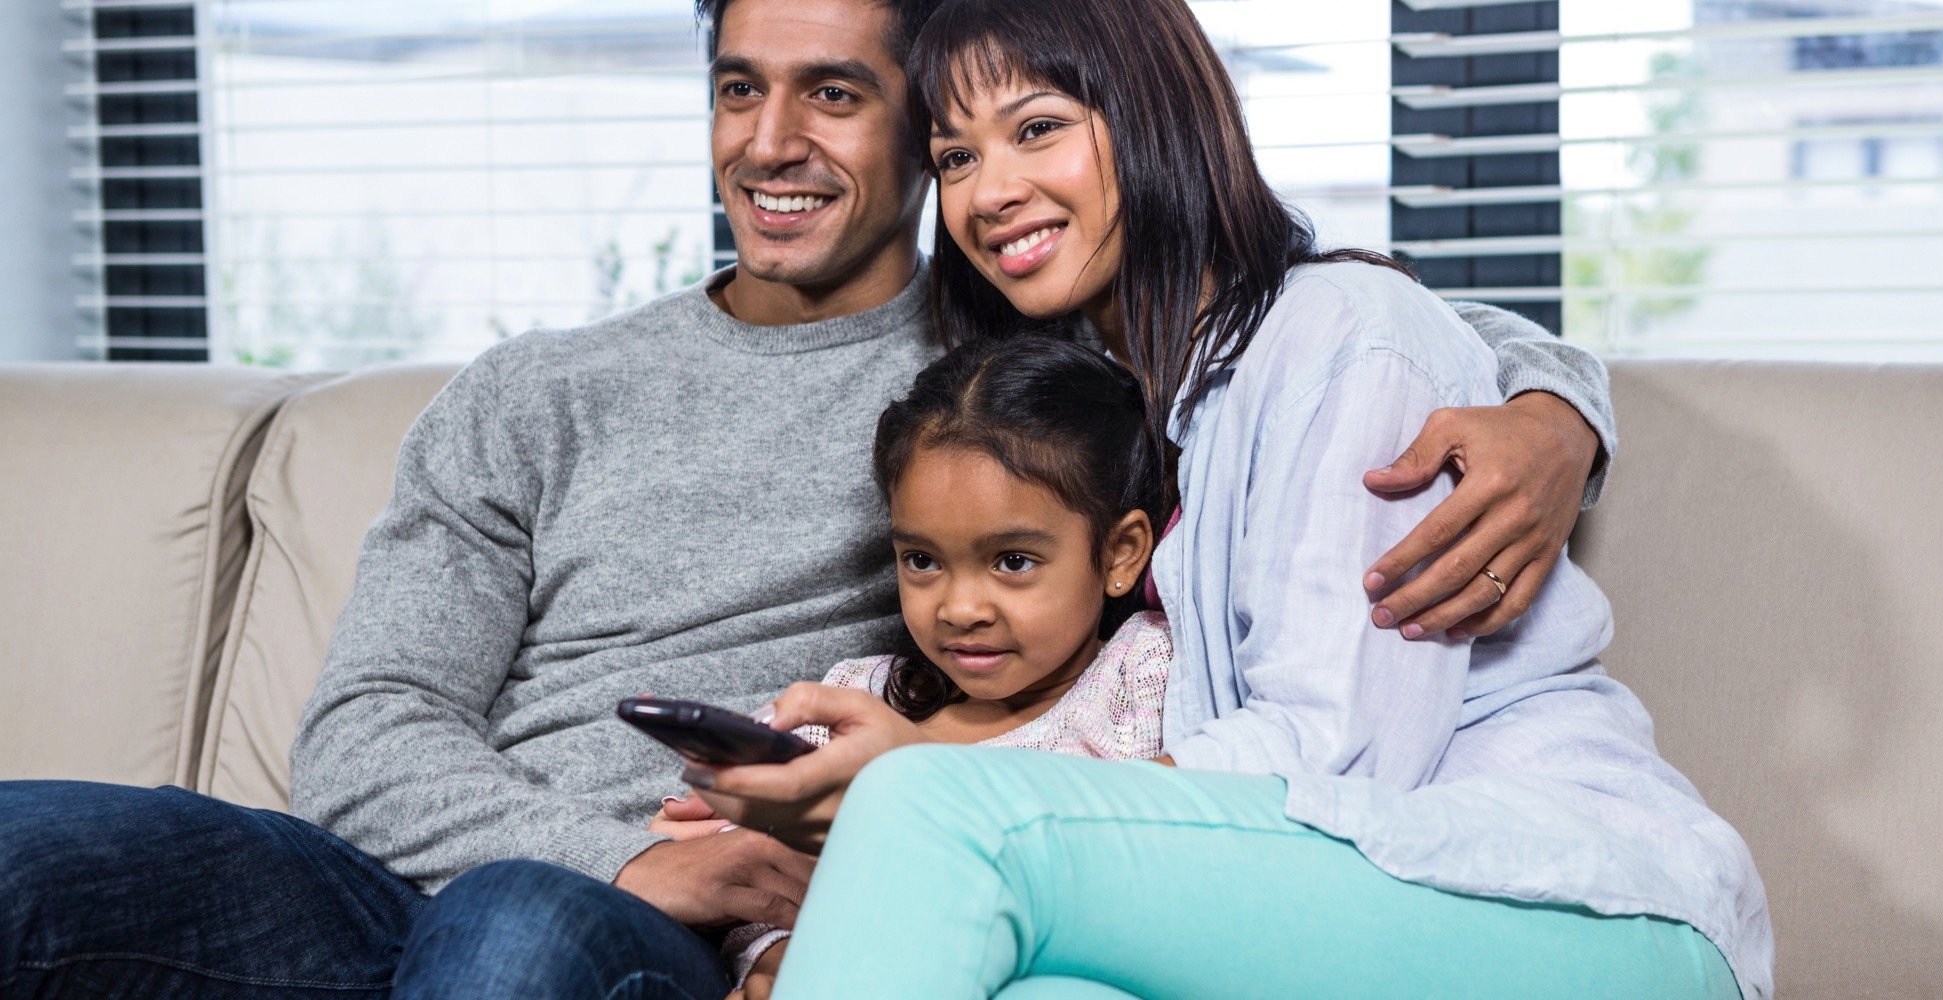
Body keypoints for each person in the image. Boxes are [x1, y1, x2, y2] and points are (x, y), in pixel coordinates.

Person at [0, 0, 1618, 997]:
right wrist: (616, 849)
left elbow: (1306, 302)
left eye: (838, 95)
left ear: (924, 143)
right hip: (465, 878)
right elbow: (368, 729)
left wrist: (1555, 413)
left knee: (513, 937)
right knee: (33, 850)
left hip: (642, 934)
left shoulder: (1021, 363)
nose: (774, 140)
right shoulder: (528, 391)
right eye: (736, 87)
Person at [685, 0, 1773, 998]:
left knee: (927, 809)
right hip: (1311, 903)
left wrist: (924, 766)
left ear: (1155, 119)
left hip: (1576, 903)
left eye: (1036, 129)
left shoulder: (1342, 334)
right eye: (956, 156)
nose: (988, 190)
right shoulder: (1100, 400)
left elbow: (1330, 762)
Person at [699, 335, 1172, 996]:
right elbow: (757, 883)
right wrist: (776, 954)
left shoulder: (1139, 676)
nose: (959, 607)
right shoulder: (853, 702)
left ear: (1121, 553)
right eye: (922, 560)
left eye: (1013, 561)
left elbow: (1162, 875)